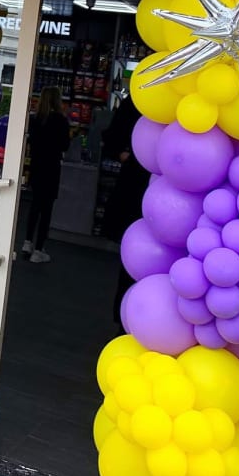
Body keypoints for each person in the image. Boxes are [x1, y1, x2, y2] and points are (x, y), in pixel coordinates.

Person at [100, 93, 151, 324]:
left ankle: (128, 317)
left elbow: (112, 136)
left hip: (145, 188)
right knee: (136, 255)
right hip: (138, 188)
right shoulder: (143, 99)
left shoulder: (141, 99)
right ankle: (127, 318)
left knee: (135, 257)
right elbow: (112, 137)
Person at [22, 86, 71, 263]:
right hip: (51, 168)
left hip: (36, 167)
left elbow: (30, 141)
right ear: (58, 100)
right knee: (46, 210)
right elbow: (65, 145)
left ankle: (27, 242)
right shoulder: (61, 121)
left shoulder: (35, 119)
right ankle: (39, 249)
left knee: (34, 206)